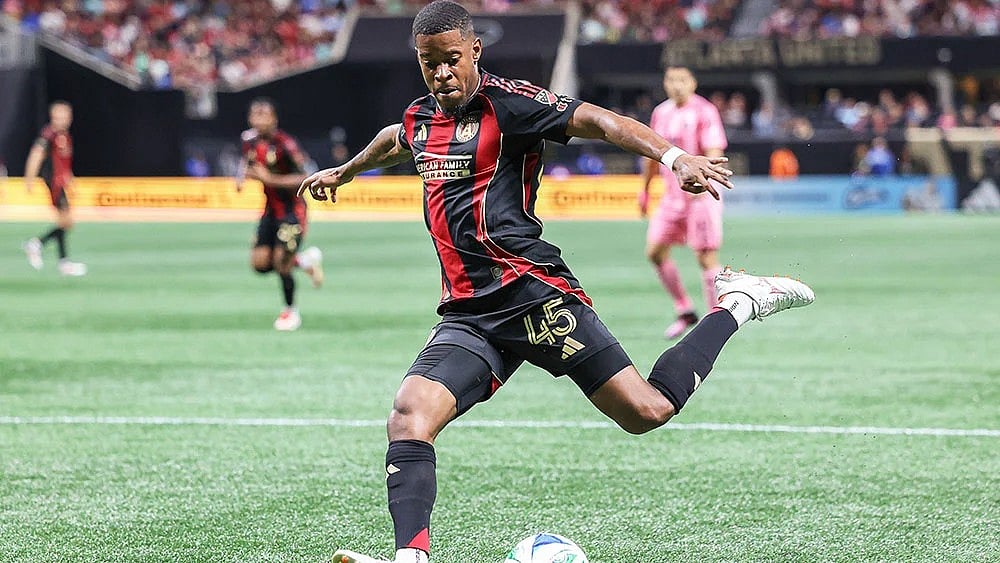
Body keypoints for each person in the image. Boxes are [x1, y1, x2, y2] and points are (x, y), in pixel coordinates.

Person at [299, 3, 814, 562]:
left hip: (534, 296)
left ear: (474, 51)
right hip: (470, 314)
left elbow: (598, 121)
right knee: (408, 416)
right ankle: (413, 557)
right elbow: (395, 139)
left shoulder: (512, 105)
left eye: (451, 61)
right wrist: (345, 171)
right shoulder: (421, 116)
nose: (442, 75)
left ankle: (737, 305)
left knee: (646, 412)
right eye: (429, 65)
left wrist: (672, 156)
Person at [639, 66, 729, 339]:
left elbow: (715, 152)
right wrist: (644, 189)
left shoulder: (705, 111)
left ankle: (715, 324)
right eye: (671, 80)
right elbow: (650, 152)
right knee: (654, 252)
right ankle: (685, 310)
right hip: (671, 197)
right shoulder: (661, 112)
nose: (676, 85)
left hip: (700, 196)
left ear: (693, 83)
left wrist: (706, 180)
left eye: (682, 80)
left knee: (705, 257)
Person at [237, 97, 325, 331]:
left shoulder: (285, 144)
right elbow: (246, 161)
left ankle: (290, 312)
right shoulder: (249, 141)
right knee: (260, 264)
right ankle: (303, 260)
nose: (259, 119)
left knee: (281, 264)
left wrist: (269, 179)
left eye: (264, 114)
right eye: (255, 114)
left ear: (274, 118)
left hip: (292, 212)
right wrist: (240, 178)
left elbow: (304, 176)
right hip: (269, 211)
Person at [22, 101, 87, 276]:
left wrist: (71, 179)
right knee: (66, 222)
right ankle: (38, 245)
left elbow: (64, 163)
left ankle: (62, 261)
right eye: (59, 116)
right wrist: (29, 179)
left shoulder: (64, 136)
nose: (62, 119)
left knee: (65, 222)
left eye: (65, 116)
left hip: (62, 183)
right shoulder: (48, 135)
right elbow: (36, 155)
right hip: (54, 184)